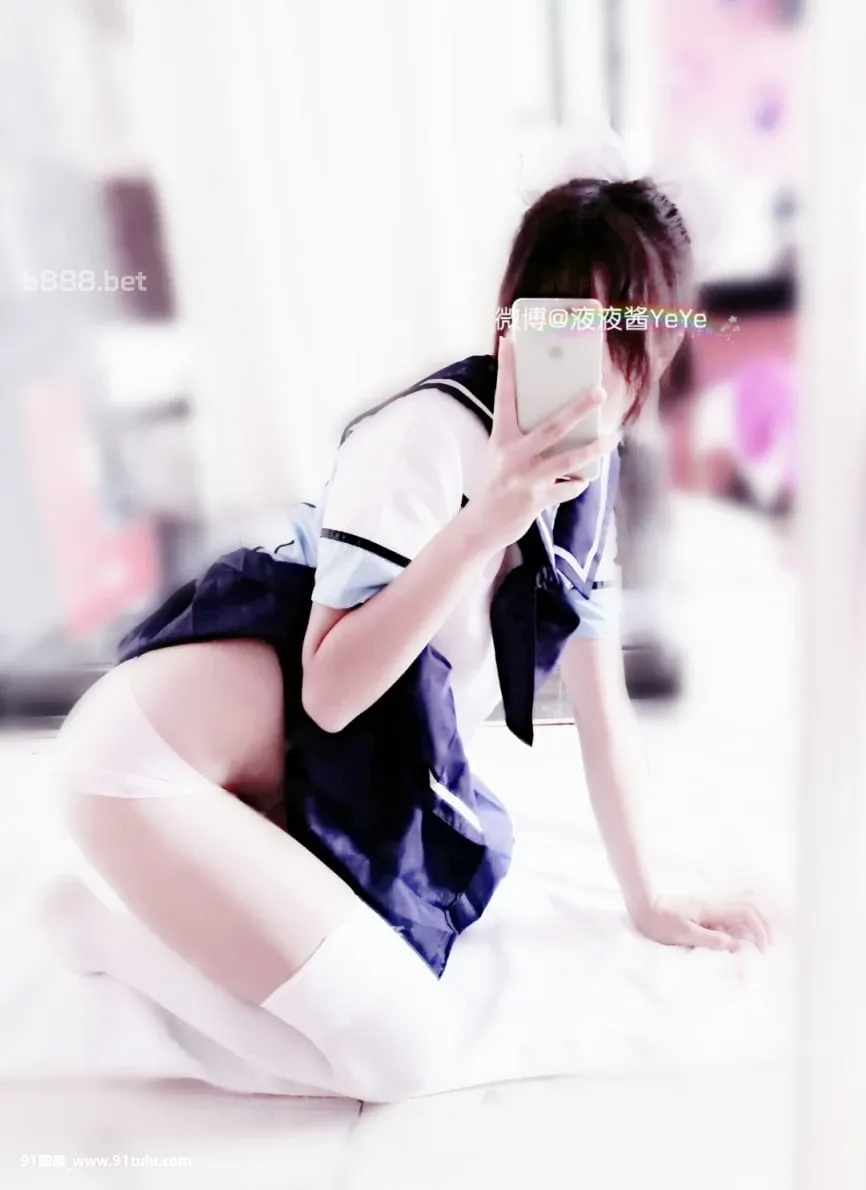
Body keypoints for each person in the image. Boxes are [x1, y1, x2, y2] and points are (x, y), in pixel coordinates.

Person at [50, 176, 772, 1104]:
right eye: (568, 326)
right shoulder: (423, 440)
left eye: (626, 337)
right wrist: (486, 519)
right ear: (511, 326)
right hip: (147, 769)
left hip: (281, 786)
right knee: (402, 1054)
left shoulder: (585, 484)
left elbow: (603, 708)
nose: (596, 372)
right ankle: (100, 928)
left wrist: (650, 898)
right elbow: (331, 693)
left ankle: (164, 905)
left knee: (392, 986)